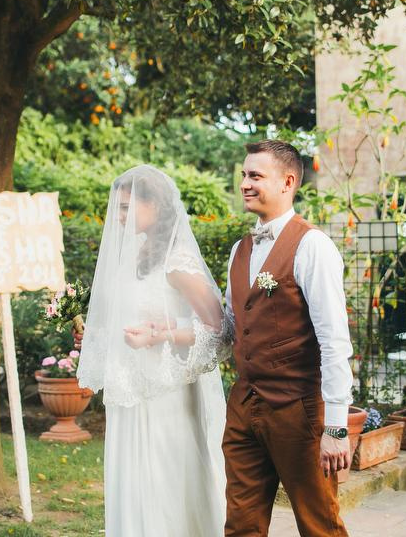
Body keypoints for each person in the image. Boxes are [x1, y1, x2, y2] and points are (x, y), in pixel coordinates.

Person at [76, 165, 231, 537]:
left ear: (157, 207)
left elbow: (220, 329)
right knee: (131, 477)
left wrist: (160, 335)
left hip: (166, 396)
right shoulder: (135, 254)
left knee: (162, 480)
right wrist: (102, 336)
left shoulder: (178, 261)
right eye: (119, 208)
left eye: (127, 208)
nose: (120, 217)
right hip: (130, 391)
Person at [223, 140, 354, 537]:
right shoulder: (239, 250)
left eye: (255, 176)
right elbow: (230, 326)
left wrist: (335, 428)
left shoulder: (313, 246)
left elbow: (334, 340)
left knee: (319, 525)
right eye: (244, 175)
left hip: (298, 412)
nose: (245, 183)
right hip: (244, 408)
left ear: (288, 182)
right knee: (240, 525)